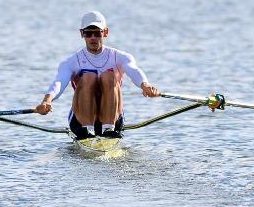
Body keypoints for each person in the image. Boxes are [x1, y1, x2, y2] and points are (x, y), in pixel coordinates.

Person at [33, 11, 161, 139]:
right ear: (82, 34)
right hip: (80, 121)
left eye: (97, 33)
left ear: (105, 33)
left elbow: (134, 70)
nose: (93, 37)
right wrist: (47, 101)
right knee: (89, 77)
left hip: (113, 118)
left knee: (109, 76)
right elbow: (59, 82)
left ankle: (109, 130)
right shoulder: (71, 62)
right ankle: (88, 130)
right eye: (88, 33)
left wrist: (145, 85)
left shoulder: (120, 57)